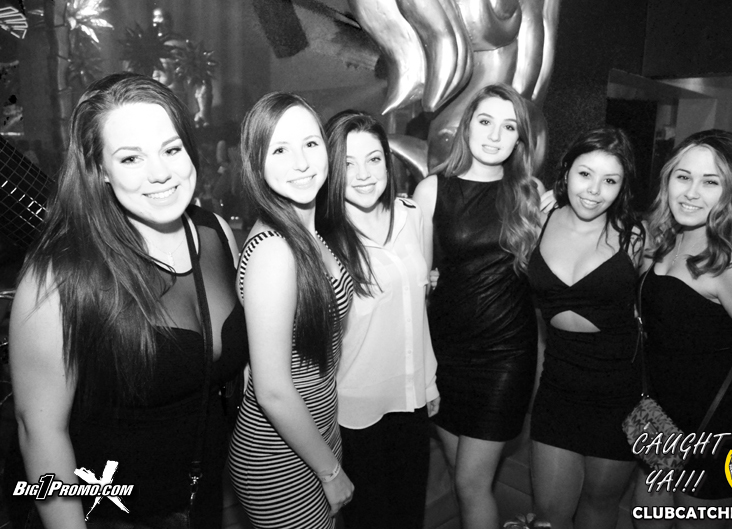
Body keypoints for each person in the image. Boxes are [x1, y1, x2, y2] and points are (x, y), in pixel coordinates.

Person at [7, 72, 248, 528]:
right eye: (131, 157)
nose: (160, 172)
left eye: (171, 149)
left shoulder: (214, 234)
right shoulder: (60, 276)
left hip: (201, 503)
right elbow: (39, 432)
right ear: (99, 168)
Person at [633, 129, 732, 528]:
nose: (691, 192)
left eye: (710, 182)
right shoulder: (668, 237)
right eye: (683, 176)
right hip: (663, 419)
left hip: (718, 427)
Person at [413, 83, 541, 529]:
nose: (494, 135)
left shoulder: (529, 194)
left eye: (509, 127)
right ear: (467, 127)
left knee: (471, 483)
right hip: (445, 353)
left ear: (519, 139)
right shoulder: (432, 189)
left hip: (505, 356)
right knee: (462, 476)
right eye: (485, 122)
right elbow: (416, 280)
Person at [227, 92, 355, 529]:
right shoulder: (275, 250)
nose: (301, 163)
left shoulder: (307, 232)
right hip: (279, 457)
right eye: (279, 150)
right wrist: (330, 472)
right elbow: (273, 390)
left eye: (311, 144)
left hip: (311, 436)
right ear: (256, 162)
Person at [320, 110, 439, 529]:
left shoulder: (412, 215)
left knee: (409, 517)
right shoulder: (321, 239)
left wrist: (428, 381)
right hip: (353, 411)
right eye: (348, 163)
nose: (364, 174)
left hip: (411, 400)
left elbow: (418, 308)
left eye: (373, 159)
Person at [527, 127, 643, 529]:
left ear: (622, 186)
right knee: (548, 516)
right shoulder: (539, 220)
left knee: (599, 505)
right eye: (585, 174)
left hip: (621, 394)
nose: (594, 190)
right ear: (566, 172)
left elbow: (665, 305)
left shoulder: (635, 237)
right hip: (558, 388)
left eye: (610, 180)